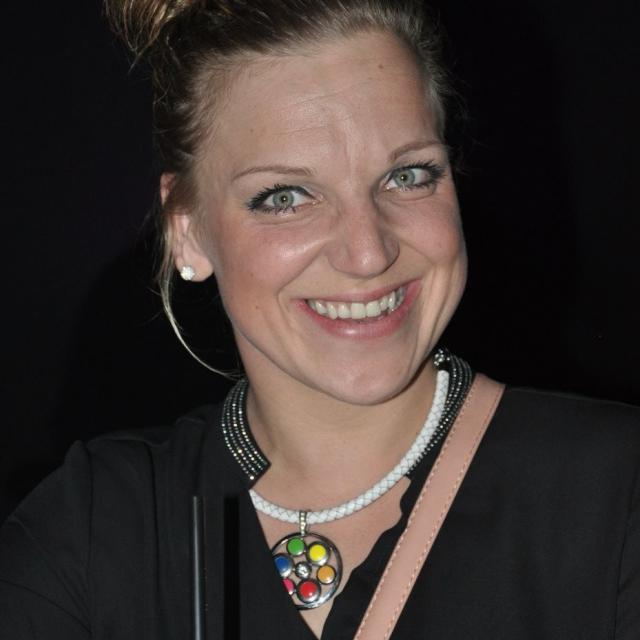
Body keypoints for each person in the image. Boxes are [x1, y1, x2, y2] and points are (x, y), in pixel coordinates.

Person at [1, 1, 638, 638]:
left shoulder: (614, 493)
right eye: (286, 196)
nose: (368, 253)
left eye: (407, 175)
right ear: (187, 230)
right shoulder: (96, 526)